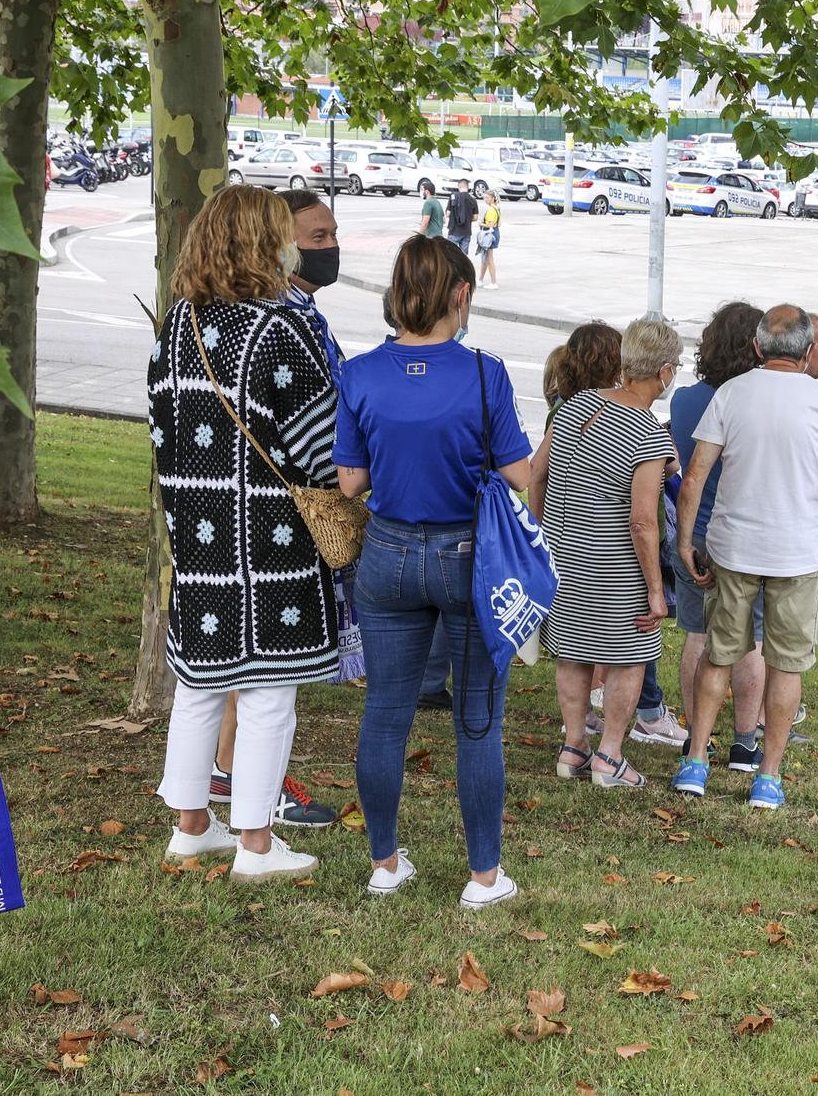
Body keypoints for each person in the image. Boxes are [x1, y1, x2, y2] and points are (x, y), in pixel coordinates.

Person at [147, 185, 342, 885]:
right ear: (263, 245)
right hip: (271, 546)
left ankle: (192, 825)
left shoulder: (177, 327)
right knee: (267, 691)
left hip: (198, 541)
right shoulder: (278, 331)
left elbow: (160, 429)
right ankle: (258, 842)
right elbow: (324, 450)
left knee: (200, 683)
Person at [335, 234, 534, 907]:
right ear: (460, 294)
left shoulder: (359, 374)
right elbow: (518, 472)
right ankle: (483, 876)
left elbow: (349, 482)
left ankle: (385, 863)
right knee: (477, 718)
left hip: (386, 556)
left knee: (386, 713)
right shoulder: (485, 372)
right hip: (466, 559)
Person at [673, 306, 818, 810]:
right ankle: (767, 776)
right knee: (786, 665)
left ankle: (695, 761)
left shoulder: (731, 394)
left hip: (733, 549)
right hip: (797, 554)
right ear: (804, 352)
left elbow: (693, 479)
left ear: (758, 348)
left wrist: (685, 542)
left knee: (719, 654)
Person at [207, 188, 343, 830]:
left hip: (236, 515)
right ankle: (249, 802)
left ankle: (223, 779)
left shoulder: (283, 314)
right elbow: (311, 434)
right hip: (270, 515)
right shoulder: (275, 321)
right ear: (278, 245)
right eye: (314, 239)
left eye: (330, 236)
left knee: (238, 666)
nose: (327, 249)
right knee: (263, 673)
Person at [531, 318, 681, 790]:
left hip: (563, 556)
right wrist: (656, 590)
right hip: (613, 565)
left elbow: (537, 471)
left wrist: (538, 534)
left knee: (572, 653)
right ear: (665, 372)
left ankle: (573, 746)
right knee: (630, 656)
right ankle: (609, 756)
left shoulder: (577, 405)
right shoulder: (648, 433)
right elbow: (642, 522)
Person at [668, 303, 768, 771]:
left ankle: (697, 738)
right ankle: (745, 740)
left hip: (695, 528)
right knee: (750, 638)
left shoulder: (685, 400)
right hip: (744, 533)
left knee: (695, 633)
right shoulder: (754, 402)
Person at [475, 188, 502, 289]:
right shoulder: (496, 208)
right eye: (484, 197)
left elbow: (490, 224)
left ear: (492, 198)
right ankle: (480, 280)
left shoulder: (491, 209)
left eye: (487, 197)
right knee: (485, 258)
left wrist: (481, 223)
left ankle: (493, 282)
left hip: (489, 234)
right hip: (495, 232)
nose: (485, 199)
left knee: (489, 259)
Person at [446, 177, 479, 255]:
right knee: (463, 257)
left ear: (458, 186)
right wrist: (467, 218)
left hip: (454, 231)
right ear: (468, 187)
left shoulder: (453, 197)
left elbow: (448, 213)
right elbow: (475, 217)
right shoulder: (473, 200)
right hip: (466, 231)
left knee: (450, 255)